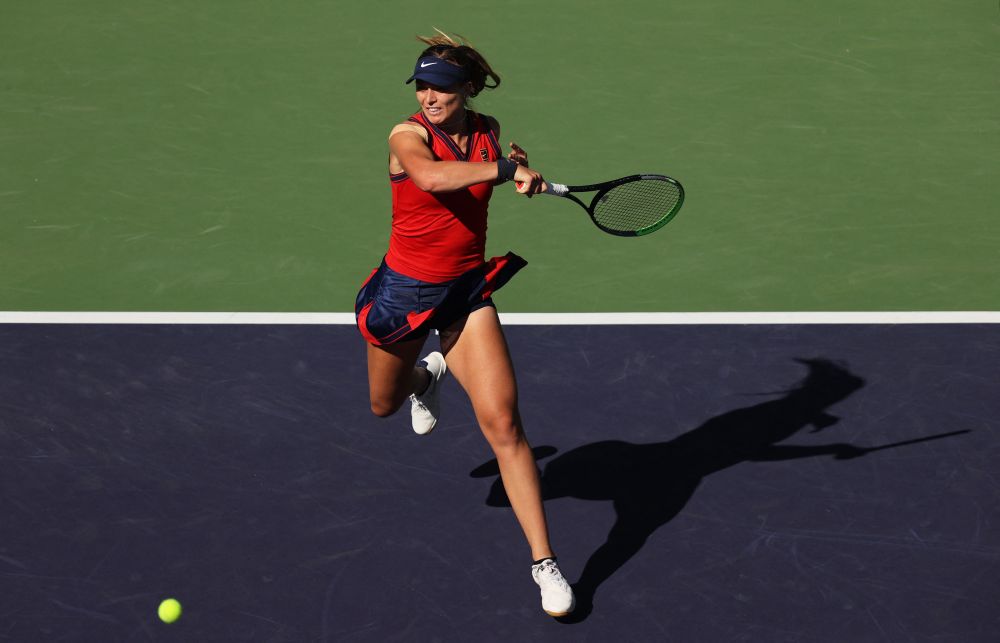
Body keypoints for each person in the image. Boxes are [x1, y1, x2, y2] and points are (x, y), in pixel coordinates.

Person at [354, 30, 575, 618]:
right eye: (423, 87)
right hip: (404, 294)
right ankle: (426, 378)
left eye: (442, 89)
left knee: (504, 424)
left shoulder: (488, 129)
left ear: (469, 90)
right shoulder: (407, 136)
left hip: (465, 293)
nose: (429, 98)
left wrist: (520, 168)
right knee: (383, 405)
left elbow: (496, 165)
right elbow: (429, 178)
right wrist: (505, 169)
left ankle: (544, 563)